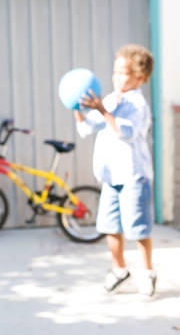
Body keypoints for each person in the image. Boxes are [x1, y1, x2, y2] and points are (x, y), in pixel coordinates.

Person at [74, 44, 155, 296]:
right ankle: (119, 270)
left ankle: (147, 272)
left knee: (138, 230)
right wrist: (77, 107)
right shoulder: (108, 101)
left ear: (140, 78)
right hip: (110, 178)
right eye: (115, 72)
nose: (117, 77)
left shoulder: (137, 105)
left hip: (134, 177)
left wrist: (102, 110)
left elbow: (126, 131)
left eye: (124, 73)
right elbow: (86, 128)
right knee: (110, 227)